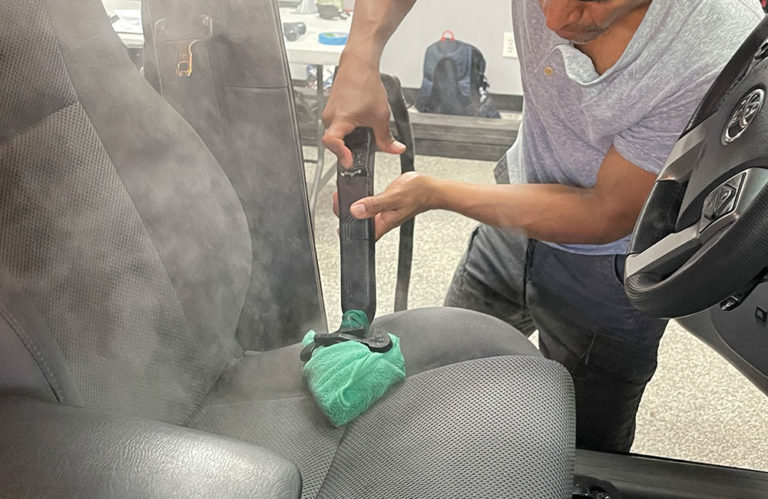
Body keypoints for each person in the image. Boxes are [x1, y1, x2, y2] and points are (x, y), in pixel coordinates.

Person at [321, 0, 764, 452]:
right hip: (509, 215)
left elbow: (603, 212)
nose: (554, 20)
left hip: (608, 267)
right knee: (440, 376)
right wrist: (359, 55)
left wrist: (435, 193)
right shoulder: (564, 11)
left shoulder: (712, 47)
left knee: (579, 444)